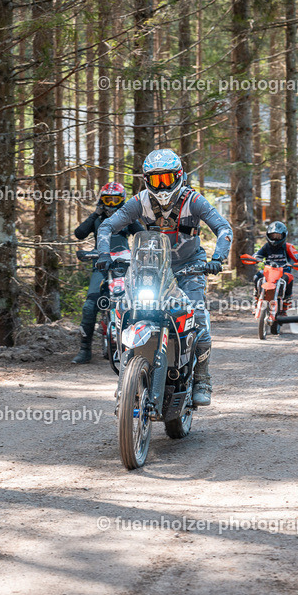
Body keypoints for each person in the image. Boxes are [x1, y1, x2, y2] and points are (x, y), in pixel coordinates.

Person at [95, 149, 232, 406]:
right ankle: (126, 376)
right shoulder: (140, 201)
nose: (162, 186)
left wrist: (217, 258)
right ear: (147, 180)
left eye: (167, 179)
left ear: (178, 176)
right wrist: (104, 253)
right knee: (125, 308)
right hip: (151, 267)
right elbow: (107, 225)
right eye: (156, 180)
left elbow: (223, 227)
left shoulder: (194, 200)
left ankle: (202, 377)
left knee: (198, 318)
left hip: (189, 268)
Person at [72, 182, 144, 364]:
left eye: (115, 200)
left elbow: (143, 235)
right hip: (101, 265)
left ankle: (139, 344)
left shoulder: (126, 219)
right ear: (101, 200)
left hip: (124, 265)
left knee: (137, 301)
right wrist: (95, 214)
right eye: (107, 200)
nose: (111, 204)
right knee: (89, 306)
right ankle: (85, 349)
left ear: (121, 201)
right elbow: (79, 234)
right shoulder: (97, 219)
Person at [251, 221, 298, 306]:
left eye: (278, 236)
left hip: (283, 271)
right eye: (272, 236)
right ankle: (256, 297)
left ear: (284, 235)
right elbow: (257, 254)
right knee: (257, 277)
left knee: (289, 278)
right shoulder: (266, 246)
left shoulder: (288, 246)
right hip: (268, 272)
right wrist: (255, 259)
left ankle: (286, 301)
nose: (275, 239)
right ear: (268, 235)